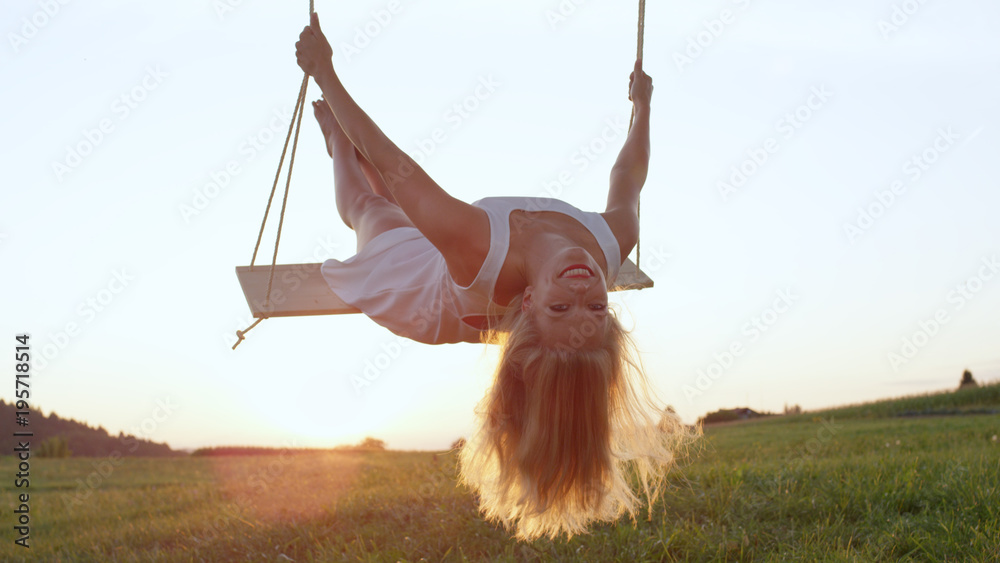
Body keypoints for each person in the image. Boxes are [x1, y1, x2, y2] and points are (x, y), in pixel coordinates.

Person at [296, 13, 687, 540]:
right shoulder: (611, 244)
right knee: (413, 208)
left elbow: (396, 165)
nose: (583, 288)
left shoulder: (478, 245)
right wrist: (643, 104)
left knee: (374, 208)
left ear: (527, 303)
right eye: (597, 307)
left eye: (561, 307)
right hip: (467, 275)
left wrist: (325, 73)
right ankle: (346, 140)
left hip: (422, 296)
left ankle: (337, 147)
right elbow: (629, 176)